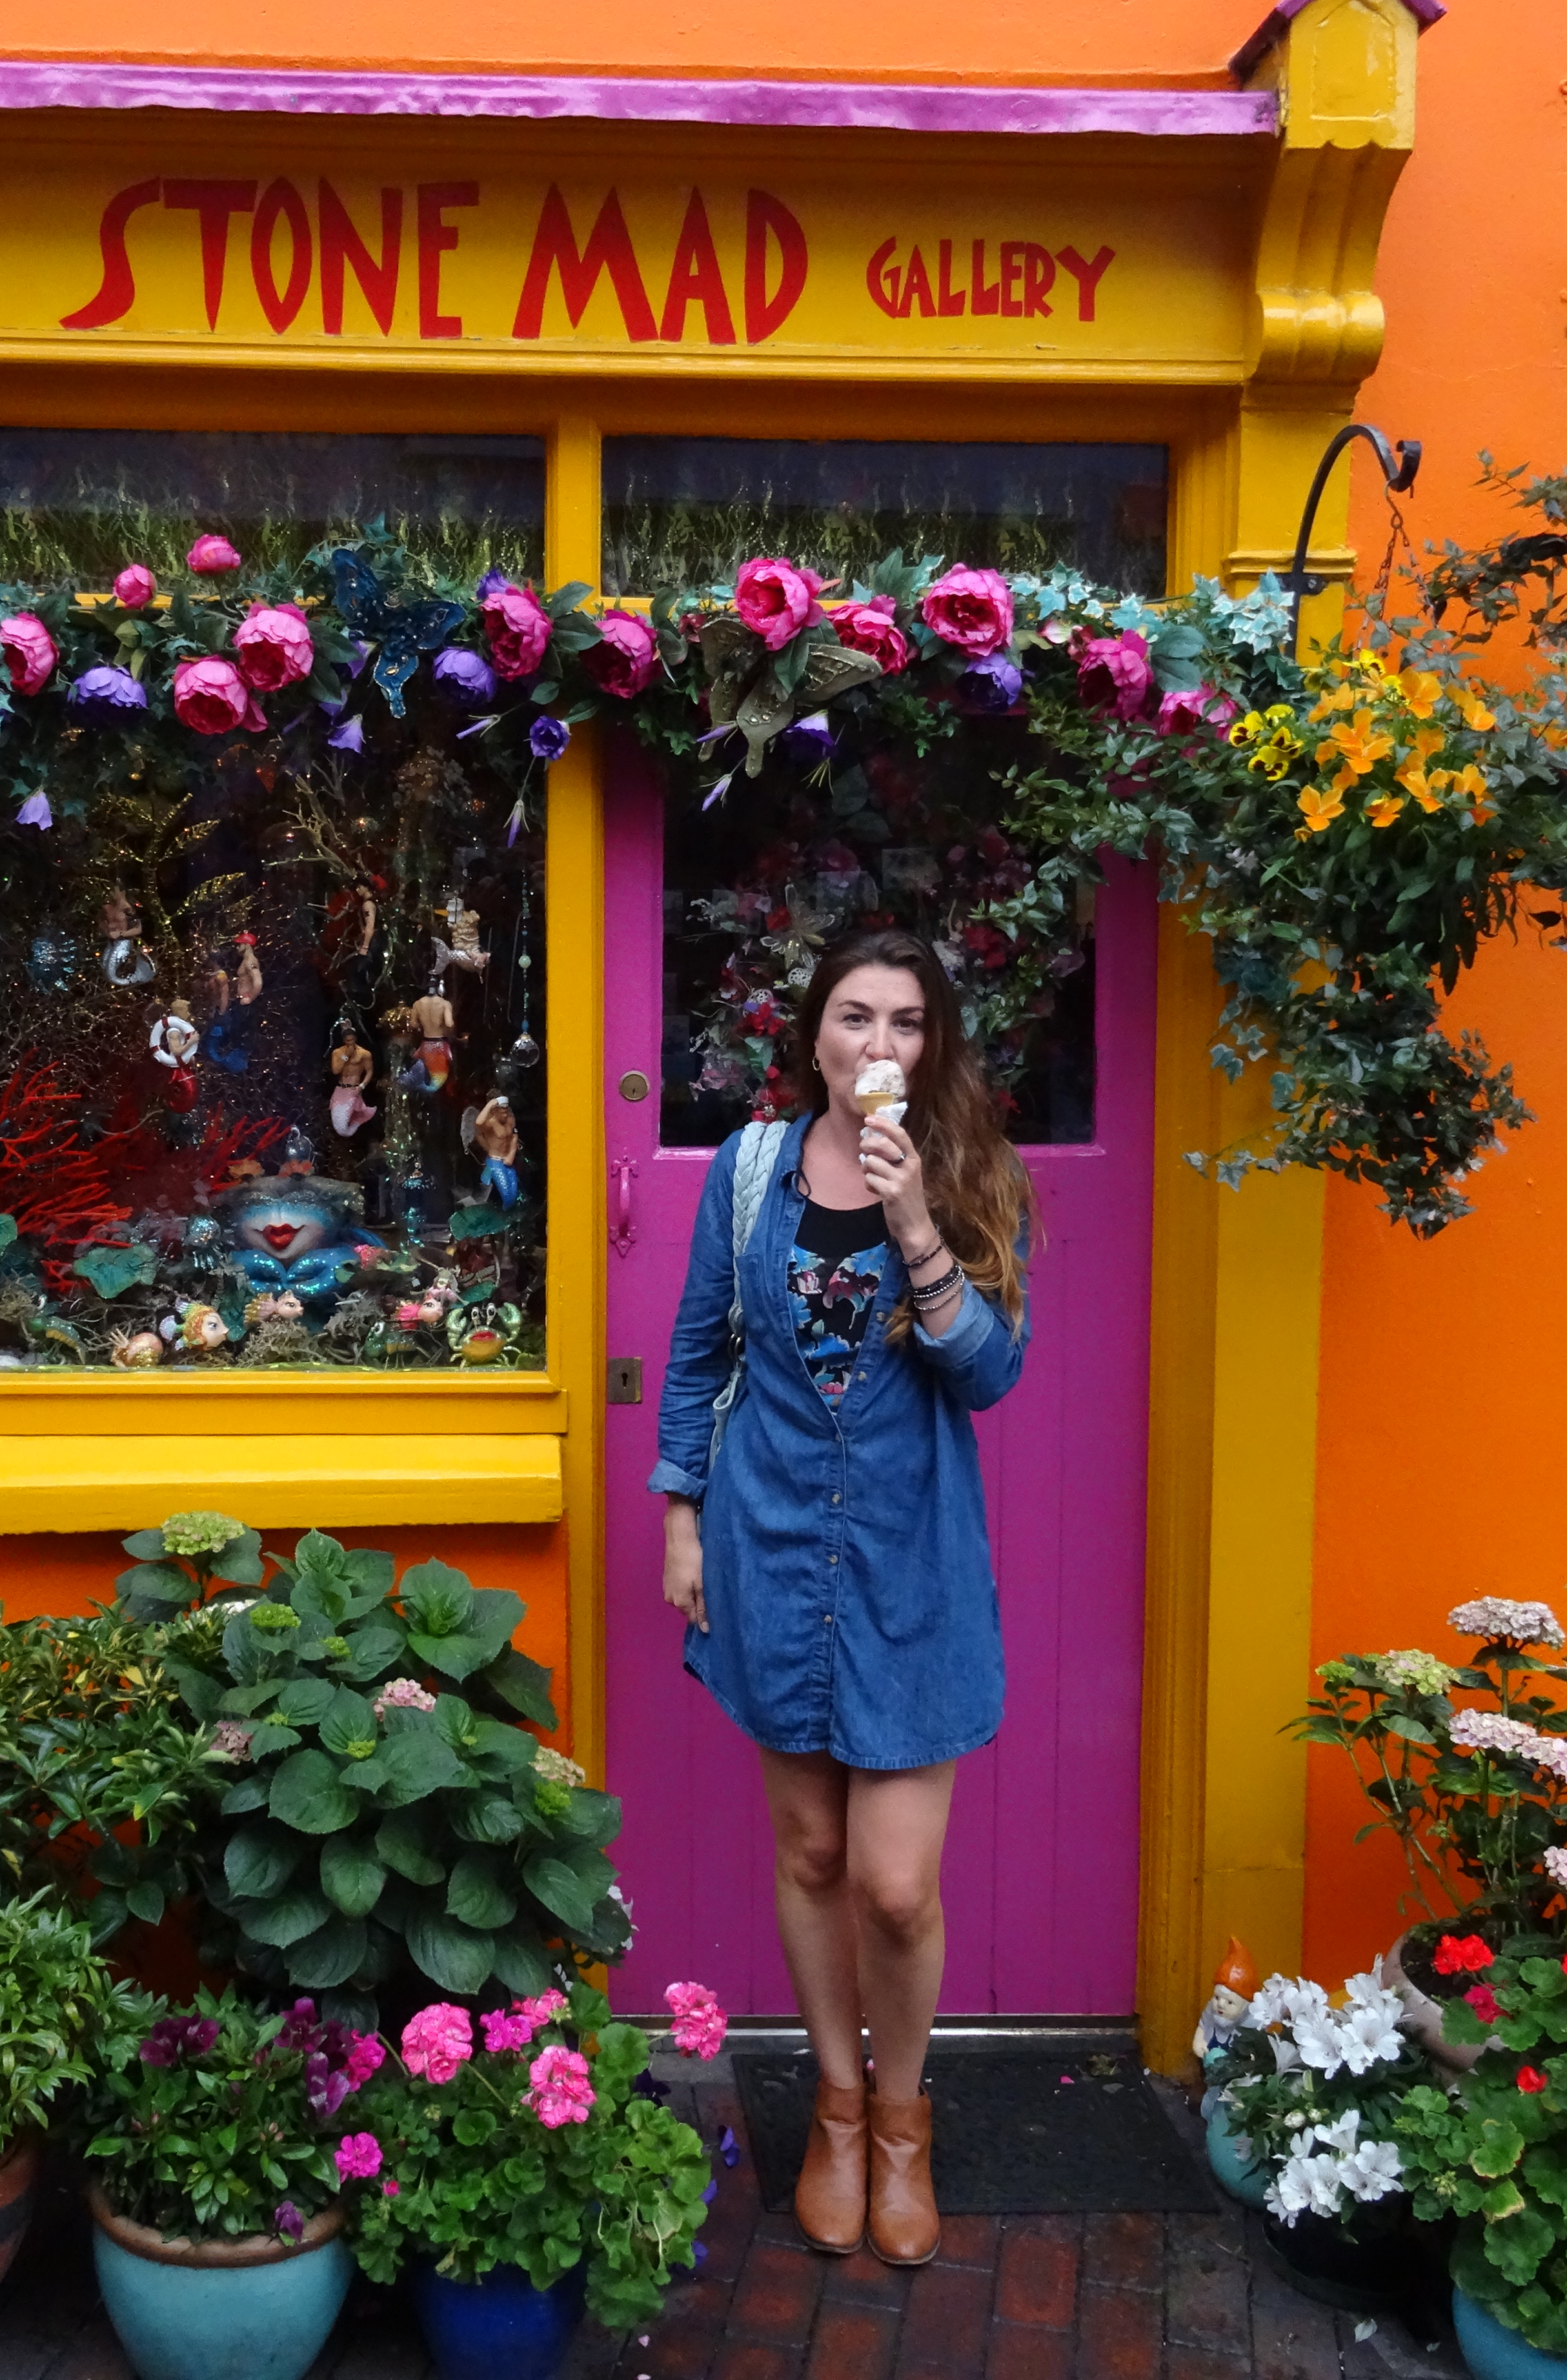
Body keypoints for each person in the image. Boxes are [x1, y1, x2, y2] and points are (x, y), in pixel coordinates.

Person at [647, 929, 1034, 2266]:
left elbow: (988, 1377)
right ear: (813, 1037)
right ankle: (837, 2110)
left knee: (895, 1886)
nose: (882, 1046)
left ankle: (906, 2113)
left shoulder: (973, 1171)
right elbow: (697, 1348)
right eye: (857, 1018)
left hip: (909, 1563)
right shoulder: (751, 1169)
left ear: (936, 1045)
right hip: (765, 1547)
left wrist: (917, 1217)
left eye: (910, 1023)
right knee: (810, 1854)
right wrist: (681, 1516)